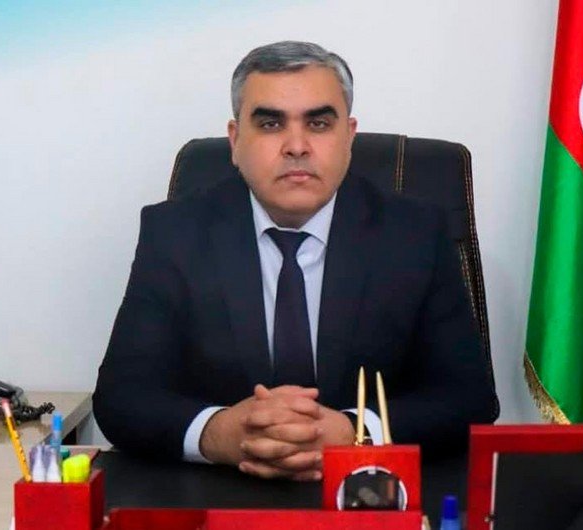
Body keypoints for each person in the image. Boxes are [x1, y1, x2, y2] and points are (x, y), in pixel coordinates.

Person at [94, 41, 498, 481]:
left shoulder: (415, 234)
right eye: (271, 123)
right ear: (235, 141)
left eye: (319, 123)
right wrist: (219, 433)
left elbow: (468, 397)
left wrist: (355, 432)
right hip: (221, 490)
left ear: (349, 136)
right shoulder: (174, 234)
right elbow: (122, 396)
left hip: (368, 492)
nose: (297, 146)